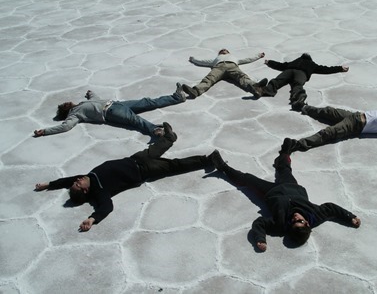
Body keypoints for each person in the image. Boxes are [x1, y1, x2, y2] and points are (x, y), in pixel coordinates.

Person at [34, 123, 219, 231]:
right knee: (175, 165)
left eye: (75, 182)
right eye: (77, 184)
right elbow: (107, 206)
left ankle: (169, 137)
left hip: (137, 158)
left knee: (157, 148)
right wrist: (92, 219)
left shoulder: (88, 177)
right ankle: (208, 160)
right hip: (145, 170)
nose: (75, 180)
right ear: (85, 190)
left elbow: (65, 181)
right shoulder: (99, 191)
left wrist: (48, 184)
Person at [210, 141, 361, 252]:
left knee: (247, 180)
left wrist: (260, 239)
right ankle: (285, 152)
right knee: (284, 168)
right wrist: (349, 216)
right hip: (291, 187)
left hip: (271, 192)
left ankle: (222, 167)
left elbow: (260, 224)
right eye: (300, 221)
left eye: (294, 222)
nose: (296, 217)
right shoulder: (316, 215)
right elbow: (331, 208)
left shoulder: (280, 225)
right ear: (307, 223)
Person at [33, 84, 186, 138]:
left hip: (116, 104)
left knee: (147, 102)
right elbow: (65, 126)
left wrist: (90, 93)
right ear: (66, 111)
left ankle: (177, 97)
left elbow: (96, 99)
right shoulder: (75, 114)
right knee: (135, 121)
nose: (67, 102)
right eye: (64, 105)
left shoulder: (82, 103)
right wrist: (45, 131)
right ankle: (156, 131)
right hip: (110, 112)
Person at [253, 53, 349, 110]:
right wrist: (269, 62)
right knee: (296, 85)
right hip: (300, 73)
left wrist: (340, 68)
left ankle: (265, 90)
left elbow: (281, 65)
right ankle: (297, 99)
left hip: (291, 71)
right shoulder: (310, 64)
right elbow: (325, 69)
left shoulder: (306, 63)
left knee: (278, 81)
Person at [180, 48, 267, 99]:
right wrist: (193, 59)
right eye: (222, 51)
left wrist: (258, 55)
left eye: (225, 50)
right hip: (219, 67)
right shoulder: (216, 59)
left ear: (229, 52)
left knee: (242, 77)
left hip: (232, 66)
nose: (223, 51)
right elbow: (202, 61)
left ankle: (256, 89)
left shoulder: (234, 57)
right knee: (209, 78)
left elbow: (247, 59)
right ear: (219, 53)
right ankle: (196, 91)